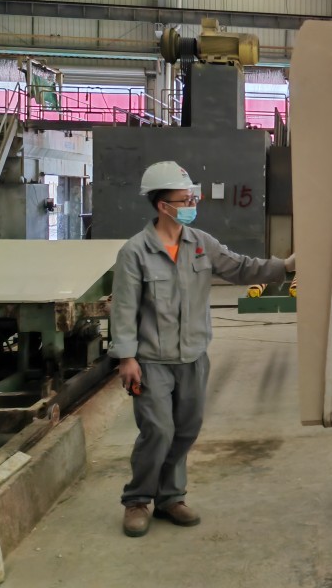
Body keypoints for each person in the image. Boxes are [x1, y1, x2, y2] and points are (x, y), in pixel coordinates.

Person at [108, 161, 294, 537]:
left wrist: (285, 266)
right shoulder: (135, 253)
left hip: (193, 357)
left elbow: (241, 268)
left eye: (193, 197)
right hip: (152, 361)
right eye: (185, 199)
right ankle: (137, 500)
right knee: (158, 430)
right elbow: (124, 308)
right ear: (163, 206)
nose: (193, 203)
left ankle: (170, 498)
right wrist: (126, 358)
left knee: (186, 429)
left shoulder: (200, 243)